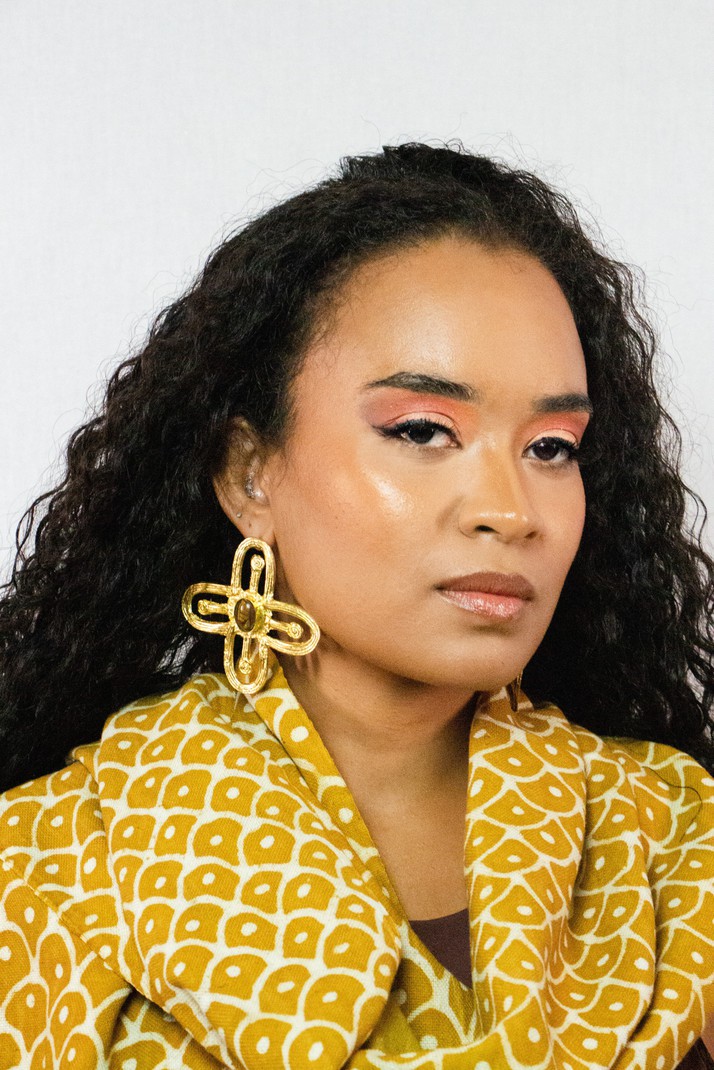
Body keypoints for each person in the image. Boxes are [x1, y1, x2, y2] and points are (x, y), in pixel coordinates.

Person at [0, 143, 712, 1070]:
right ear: (249, 475)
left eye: (551, 447)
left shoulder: (674, 838)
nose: (511, 510)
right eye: (423, 431)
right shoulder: (46, 868)